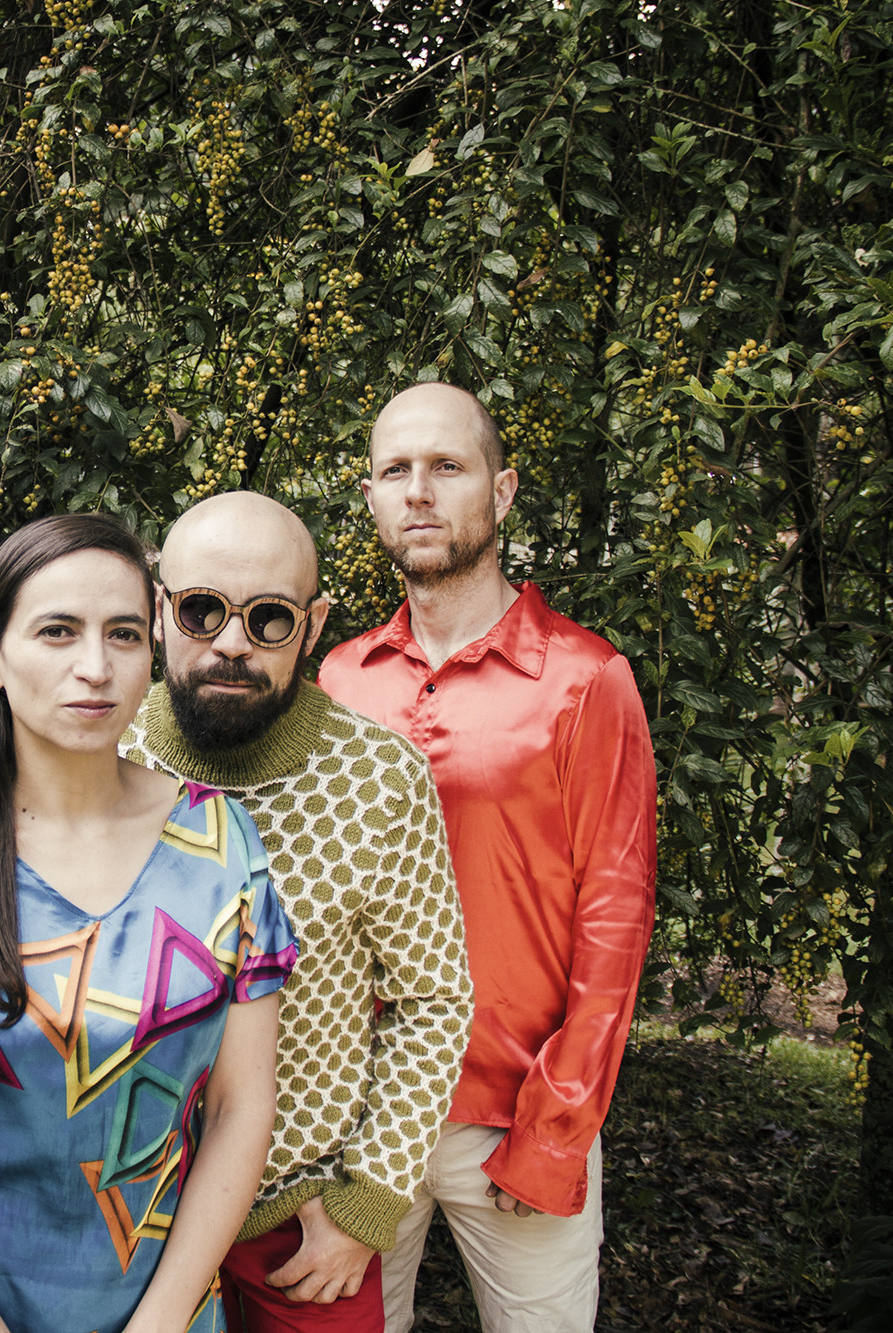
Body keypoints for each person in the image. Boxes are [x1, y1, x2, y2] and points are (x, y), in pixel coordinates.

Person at [0, 513, 297, 1333]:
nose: (95, 667)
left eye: (123, 633)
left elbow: (240, 1110)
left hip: (160, 1309)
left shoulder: (221, 847)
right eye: (57, 631)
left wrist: (161, 1320)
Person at [319, 382, 657, 1333]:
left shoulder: (586, 679)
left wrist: (556, 1128)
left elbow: (616, 915)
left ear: (501, 492)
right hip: (357, 1120)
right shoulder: (339, 678)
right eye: (396, 471)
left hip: (513, 1117)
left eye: (447, 466)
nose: (419, 491)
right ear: (372, 498)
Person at [118, 491, 470, 1332]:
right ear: (161, 611)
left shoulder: (379, 778)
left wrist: (367, 1200)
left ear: (312, 627)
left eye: (269, 618)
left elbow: (433, 999)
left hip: (297, 1224)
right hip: (120, 1214)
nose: (231, 642)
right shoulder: (101, 746)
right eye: (202, 610)